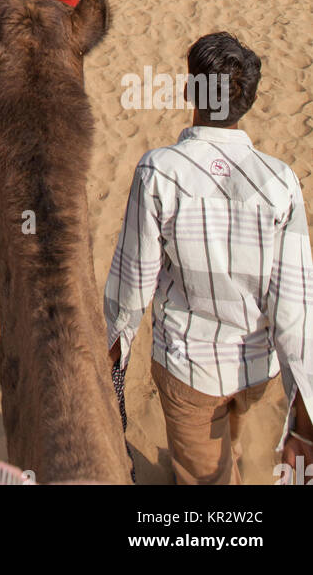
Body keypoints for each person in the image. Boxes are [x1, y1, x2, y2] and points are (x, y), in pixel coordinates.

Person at [105, 32, 313, 486]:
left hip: (189, 370)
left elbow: (133, 282)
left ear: (190, 92)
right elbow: (295, 305)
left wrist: (113, 350)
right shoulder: (281, 182)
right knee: (231, 429)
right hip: (259, 371)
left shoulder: (159, 170)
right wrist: (304, 413)